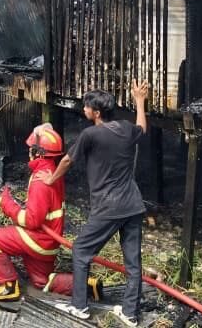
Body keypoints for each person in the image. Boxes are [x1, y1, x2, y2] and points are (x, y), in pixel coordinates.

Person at [51, 81, 149, 327]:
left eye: (86, 106)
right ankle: (129, 314)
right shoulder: (126, 129)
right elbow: (142, 128)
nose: (83, 109)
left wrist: (50, 180)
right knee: (133, 263)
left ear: (96, 113)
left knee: (81, 251)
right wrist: (139, 101)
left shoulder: (90, 134)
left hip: (108, 206)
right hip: (134, 205)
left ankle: (80, 306)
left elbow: (66, 161)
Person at [0, 124, 103, 302]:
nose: (29, 151)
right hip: (47, 242)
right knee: (42, 283)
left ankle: (8, 287)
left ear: (39, 153)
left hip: (36, 239)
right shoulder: (52, 171)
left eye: (31, 149)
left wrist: (5, 203)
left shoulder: (40, 180)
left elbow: (32, 220)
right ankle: (86, 285)